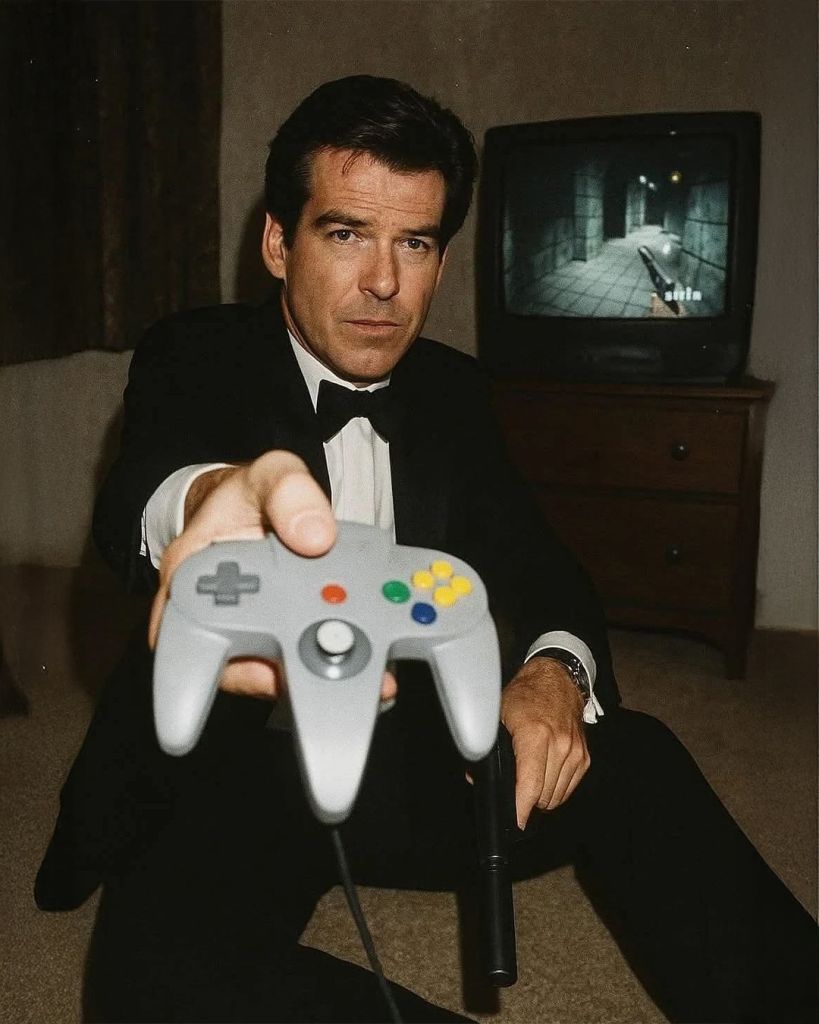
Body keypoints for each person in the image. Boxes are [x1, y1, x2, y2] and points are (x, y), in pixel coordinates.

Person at [36, 76, 816, 1024]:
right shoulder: (194, 351)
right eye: (345, 233)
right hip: (235, 763)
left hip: (411, 754)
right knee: (150, 985)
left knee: (636, 755)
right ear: (278, 244)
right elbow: (142, 490)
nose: (383, 282)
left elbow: (542, 564)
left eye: (414, 243)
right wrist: (204, 500)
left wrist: (554, 675)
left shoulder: (457, 390)